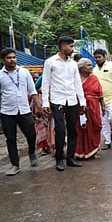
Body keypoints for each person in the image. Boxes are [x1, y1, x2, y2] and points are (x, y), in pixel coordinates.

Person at [0, 48, 41, 175]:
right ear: (3, 60)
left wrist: (39, 107)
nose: (12, 60)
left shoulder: (24, 72)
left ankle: (31, 152)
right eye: (9, 58)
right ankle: (15, 165)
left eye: (14, 57)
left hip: (24, 110)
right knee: (11, 138)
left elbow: (33, 91)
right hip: (7, 112)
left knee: (31, 134)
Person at [42, 36, 86, 172]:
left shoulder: (73, 63)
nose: (72, 49)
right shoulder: (50, 62)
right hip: (57, 100)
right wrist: (45, 102)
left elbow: (77, 83)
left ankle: (71, 158)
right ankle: (59, 158)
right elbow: (46, 83)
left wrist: (82, 101)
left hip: (72, 100)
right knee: (60, 130)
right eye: (70, 46)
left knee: (73, 129)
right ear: (63, 47)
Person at [75, 58, 105, 159]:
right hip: (78, 106)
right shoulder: (75, 78)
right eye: (88, 65)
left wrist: (103, 106)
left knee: (95, 126)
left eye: (91, 65)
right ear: (81, 68)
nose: (91, 67)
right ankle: (79, 151)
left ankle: (92, 150)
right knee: (79, 128)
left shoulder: (94, 78)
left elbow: (100, 93)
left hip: (93, 107)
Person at [92, 49, 112, 150]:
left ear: (105, 56)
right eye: (95, 57)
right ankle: (107, 141)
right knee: (103, 121)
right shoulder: (94, 70)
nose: (97, 59)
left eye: (99, 57)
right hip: (100, 100)